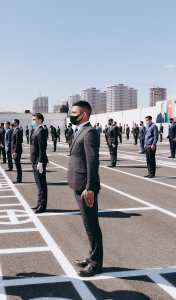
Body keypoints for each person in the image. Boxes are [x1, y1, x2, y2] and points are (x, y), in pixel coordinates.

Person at [67, 101, 103, 277]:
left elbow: (92, 162)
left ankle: (96, 263)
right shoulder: (79, 131)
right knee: (87, 224)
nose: (71, 114)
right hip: (77, 183)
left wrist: (89, 187)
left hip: (85, 187)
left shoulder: (89, 133)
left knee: (91, 225)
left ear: (84, 115)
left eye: (74, 112)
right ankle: (91, 257)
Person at [30, 113, 49, 214]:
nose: (32, 121)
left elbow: (42, 148)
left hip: (39, 161)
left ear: (40, 120)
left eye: (34, 119)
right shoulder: (35, 130)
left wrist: (40, 161)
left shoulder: (41, 131)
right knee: (38, 184)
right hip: (34, 160)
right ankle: (39, 203)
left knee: (42, 184)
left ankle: (42, 205)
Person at [11, 119, 23, 183]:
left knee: (18, 165)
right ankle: (18, 179)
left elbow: (18, 142)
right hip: (15, 150)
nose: (12, 123)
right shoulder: (15, 130)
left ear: (16, 123)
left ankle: (19, 179)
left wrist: (15, 151)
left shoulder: (18, 131)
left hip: (17, 151)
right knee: (17, 165)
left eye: (13, 122)